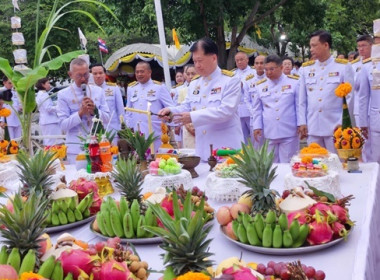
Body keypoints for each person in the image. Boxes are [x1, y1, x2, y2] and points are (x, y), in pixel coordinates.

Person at [158, 38, 243, 161]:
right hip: (203, 150)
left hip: (226, 149)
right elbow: (186, 106)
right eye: (194, 61)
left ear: (214, 58)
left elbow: (226, 111)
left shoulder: (230, 80)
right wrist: (170, 112)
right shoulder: (194, 84)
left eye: (200, 61)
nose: (197, 65)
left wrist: (192, 117)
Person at [298, 30, 354, 152]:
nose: (311, 49)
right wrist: (302, 122)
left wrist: (343, 122)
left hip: (334, 126)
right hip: (313, 126)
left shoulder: (343, 67)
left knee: (336, 164)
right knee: (316, 165)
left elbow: (349, 98)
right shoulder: (306, 69)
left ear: (326, 45)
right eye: (310, 46)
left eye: (314, 45)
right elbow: (301, 99)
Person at [57, 58, 110, 164]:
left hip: (97, 144)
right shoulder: (63, 94)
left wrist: (94, 110)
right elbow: (63, 125)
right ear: (70, 74)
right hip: (76, 147)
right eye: (79, 75)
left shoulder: (98, 91)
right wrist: (80, 113)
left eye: (85, 75)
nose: (83, 79)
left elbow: (107, 118)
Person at [252, 55, 300, 163]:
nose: (268, 72)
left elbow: (299, 106)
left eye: (272, 69)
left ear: (281, 67)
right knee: (270, 164)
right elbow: (257, 109)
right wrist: (257, 126)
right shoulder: (260, 85)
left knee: (288, 163)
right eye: (266, 69)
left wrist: (301, 124)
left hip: (289, 130)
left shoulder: (294, 82)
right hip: (269, 131)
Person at [126, 61, 175, 152]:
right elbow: (129, 110)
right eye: (137, 72)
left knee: (156, 161)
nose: (139, 74)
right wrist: (129, 128)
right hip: (138, 134)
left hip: (155, 132)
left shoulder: (159, 87)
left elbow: (171, 108)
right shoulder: (131, 89)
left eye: (142, 71)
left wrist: (168, 124)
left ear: (149, 72)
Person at [90, 63, 125, 144]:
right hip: (95, 132)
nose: (98, 76)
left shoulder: (114, 88)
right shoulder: (89, 90)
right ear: (91, 75)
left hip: (112, 130)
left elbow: (120, 111)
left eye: (100, 73)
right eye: (95, 73)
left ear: (105, 74)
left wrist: (122, 129)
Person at [351, 35, 373, 161]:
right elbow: (355, 85)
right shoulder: (355, 66)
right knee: (364, 143)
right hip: (360, 110)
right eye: (359, 46)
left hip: (374, 107)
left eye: (364, 45)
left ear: (371, 45)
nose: (361, 49)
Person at [243, 55, 266, 147]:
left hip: (269, 117)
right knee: (256, 145)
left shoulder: (270, 78)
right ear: (254, 65)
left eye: (262, 63)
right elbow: (246, 99)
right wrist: (254, 112)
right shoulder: (248, 80)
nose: (259, 65)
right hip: (254, 118)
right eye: (257, 63)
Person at [233, 51, 256, 143]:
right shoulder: (232, 74)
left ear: (247, 60)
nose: (239, 62)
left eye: (241, 59)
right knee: (242, 139)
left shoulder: (254, 72)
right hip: (238, 110)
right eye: (237, 60)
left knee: (255, 138)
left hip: (251, 109)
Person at [35, 78, 62, 146]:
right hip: (50, 121)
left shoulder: (40, 94)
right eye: (48, 83)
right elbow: (48, 108)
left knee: (49, 141)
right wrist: (59, 107)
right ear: (43, 85)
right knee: (54, 142)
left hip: (46, 120)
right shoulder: (44, 94)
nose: (49, 85)